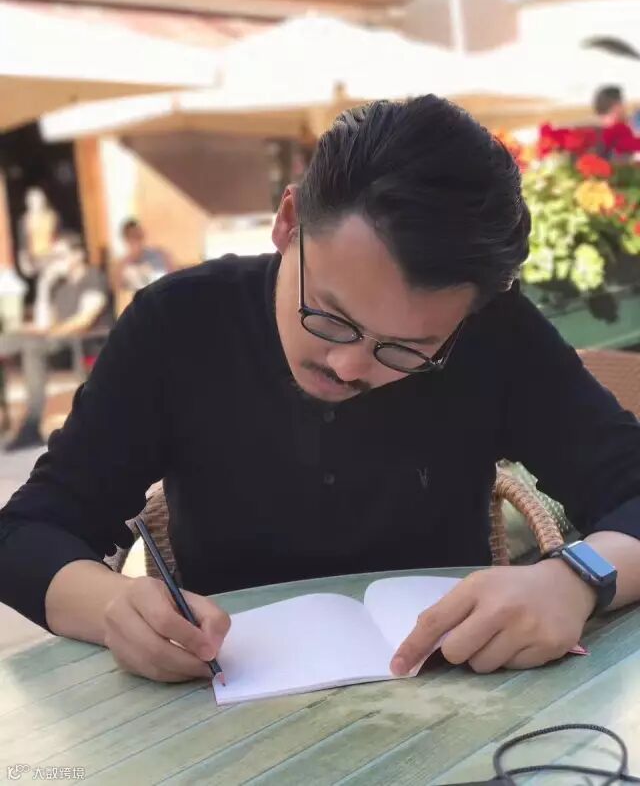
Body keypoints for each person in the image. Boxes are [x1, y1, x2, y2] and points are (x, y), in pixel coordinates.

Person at [1, 96, 640, 685]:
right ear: (288, 224)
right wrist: (113, 606)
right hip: (222, 700)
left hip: (459, 690)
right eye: (330, 316)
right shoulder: (180, 324)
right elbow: (27, 533)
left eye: (408, 349)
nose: (349, 365)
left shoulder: (495, 333)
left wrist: (577, 579)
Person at [1, 231, 113, 450]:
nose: (56, 262)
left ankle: (32, 423)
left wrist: (50, 332)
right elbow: (45, 322)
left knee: (32, 346)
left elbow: (84, 320)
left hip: (86, 342)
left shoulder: (92, 278)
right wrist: (44, 284)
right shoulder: (60, 286)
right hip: (60, 341)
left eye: (60, 256)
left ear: (78, 255)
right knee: (8, 341)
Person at [115, 218, 173, 293]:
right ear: (126, 239)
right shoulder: (122, 266)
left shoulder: (161, 255)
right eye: (133, 236)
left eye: (139, 235)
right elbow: (118, 290)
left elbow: (173, 278)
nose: (137, 240)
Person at [16, 187, 59, 280]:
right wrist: (24, 263)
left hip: (52, 256)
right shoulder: (24, 221)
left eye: (38, 200)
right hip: (34, 259)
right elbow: (22, 244)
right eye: (32, 201)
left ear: (44, 200)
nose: (35, 203)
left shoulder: (51, 217)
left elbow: (58, 237)